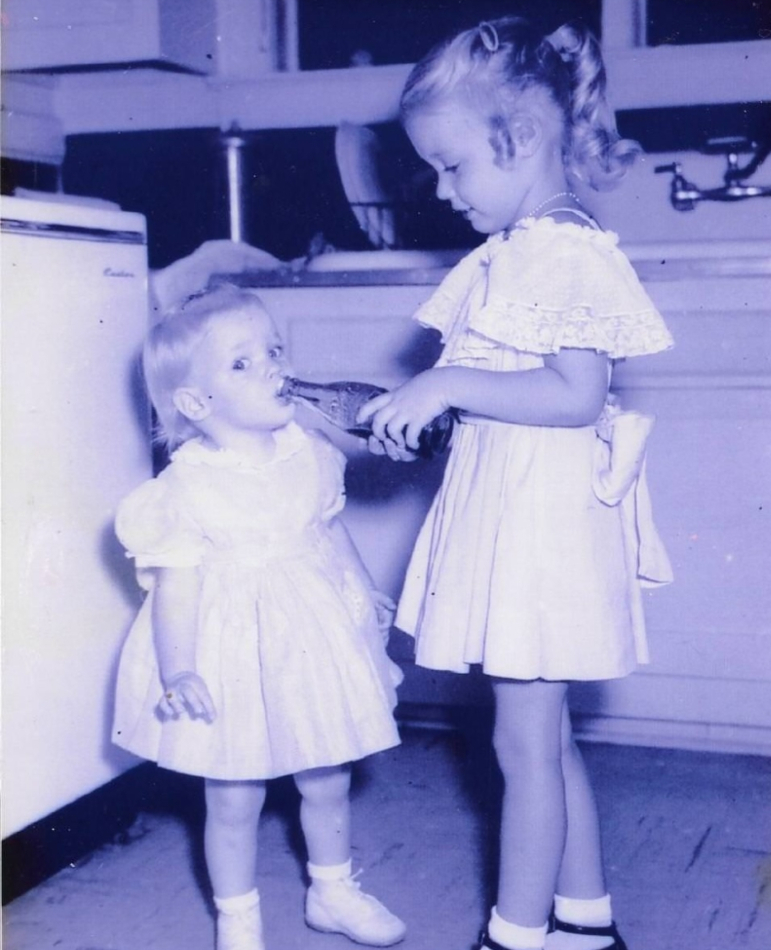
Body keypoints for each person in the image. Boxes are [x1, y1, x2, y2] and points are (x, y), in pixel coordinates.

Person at [358, 17, 674, 950]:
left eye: (452, 166)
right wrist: (432, 402)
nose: (442, 190)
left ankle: (514, 937)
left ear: (522, 138)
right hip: (524, 514)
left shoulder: (560, 248)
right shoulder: (525, 244)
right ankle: (583, 922)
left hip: (545, 532)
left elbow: (577, 394)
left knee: (522, 746)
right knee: (539, 736)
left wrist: (449, 381)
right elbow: (516, 389)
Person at [112, 285, 407, 950]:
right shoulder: (185, 488)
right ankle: (237, 919)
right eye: (241, 363)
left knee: (329, 773)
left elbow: (327, 532)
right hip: (228, 650)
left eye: (273, 350)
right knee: (234, 794)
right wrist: (179, 666)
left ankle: (332, 890)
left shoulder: (308, 452)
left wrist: (363, 590)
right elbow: (176, 589)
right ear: (196, 403)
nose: (274, 366)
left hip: (309, 637)